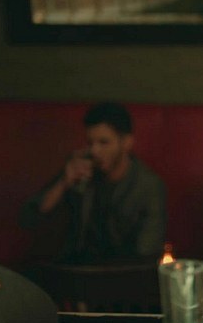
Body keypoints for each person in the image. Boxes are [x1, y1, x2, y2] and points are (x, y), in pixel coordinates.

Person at [19, 102, 167, 264]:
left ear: (126, 143)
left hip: (122, 272)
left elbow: (146, 252)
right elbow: (29, 219)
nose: (94, 151)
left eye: (104, 142)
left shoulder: (148, 186)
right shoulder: (81, 169)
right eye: (90, 143)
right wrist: (63, 182)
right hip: (75, 268)